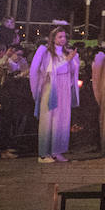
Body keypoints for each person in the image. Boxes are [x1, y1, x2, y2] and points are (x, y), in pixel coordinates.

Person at [29, 25, 80, 162]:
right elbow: (50, 70)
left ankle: (57, 151)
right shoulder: (45, 52)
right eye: (60, 37)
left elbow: (71, 70)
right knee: (48, 119)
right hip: (51, 87)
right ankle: (43, 154)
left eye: (64, 37)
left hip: (64, 86)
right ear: (53, 38)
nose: (63, 39)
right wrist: (67, 60)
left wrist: (74, 61)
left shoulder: (66, 52)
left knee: (62, 120)